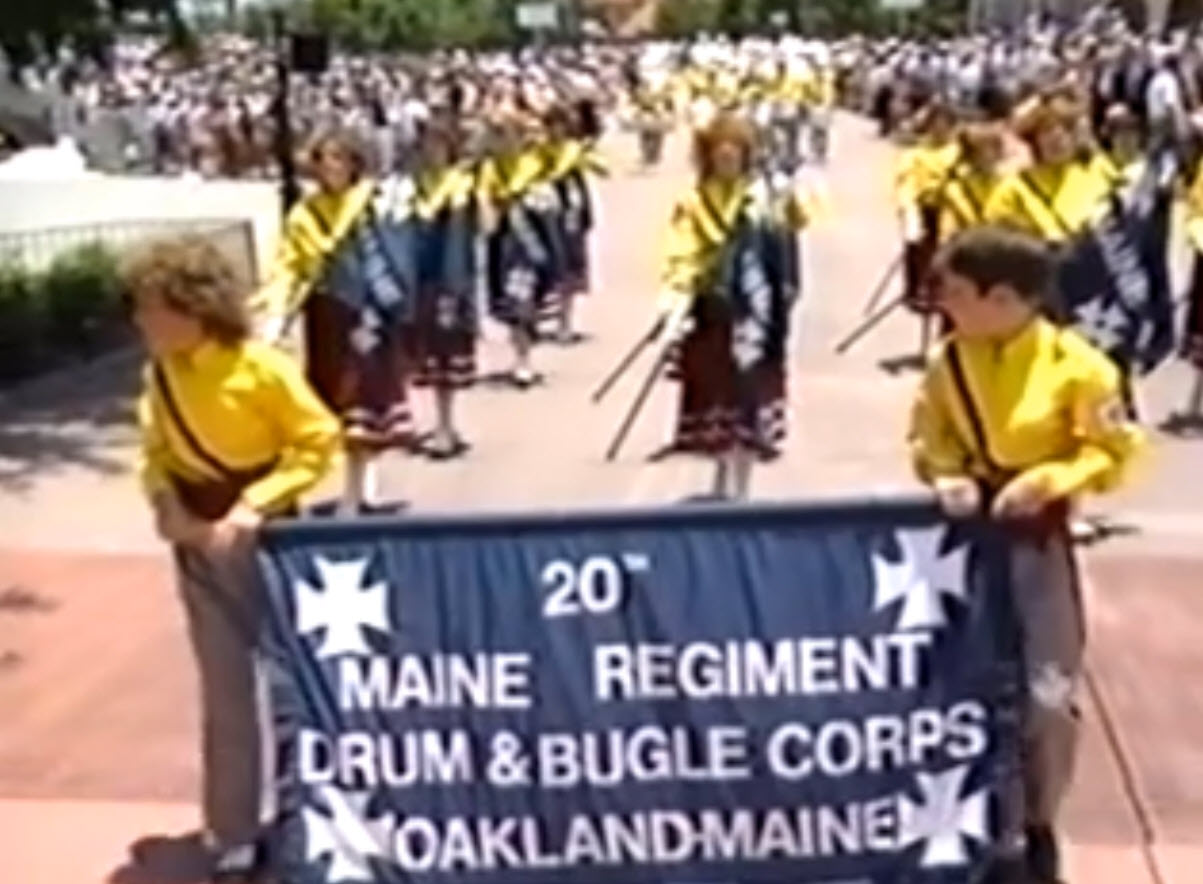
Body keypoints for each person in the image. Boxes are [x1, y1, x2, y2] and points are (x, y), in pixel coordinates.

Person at [908, 226, 1143, 884]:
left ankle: (1039, 822)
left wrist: (1051, 480)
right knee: (966, 683)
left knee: (1046, 692)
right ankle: (984, 821)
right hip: (964, 545)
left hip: (1039, 541)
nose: (943, 304)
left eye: (954, 292)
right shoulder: (948, 362)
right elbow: (928, 433)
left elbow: (1113, 452)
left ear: (1003, 297)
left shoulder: (1082, 369)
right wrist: (944, 471)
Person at [127, 235, 340, 884]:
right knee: (223, 690)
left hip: (264, 541)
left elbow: (317, 440)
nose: (140, 322)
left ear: (193, 308)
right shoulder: (160, 374)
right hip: (196, 542)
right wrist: (166, 502)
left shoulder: (261, 369)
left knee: (283, 685)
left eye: (151, 308)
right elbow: (156, 449)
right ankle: (235, 830)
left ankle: (305, 814)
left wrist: (254, 507)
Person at [253, 129, 415, 512]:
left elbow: (396, 255)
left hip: (367, 315)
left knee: (363, 402)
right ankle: (359, 484)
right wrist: (275, 314)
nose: (332, 167)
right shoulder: (306, 214)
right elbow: (288, 266)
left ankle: (356, 493)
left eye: (340, 159)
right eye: (325, 159)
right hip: (326, 317)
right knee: (335, 404)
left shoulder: (372, 206)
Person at [656, 113, 810, 499]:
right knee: (718, 396)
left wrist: (790, 194)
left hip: (756, 315)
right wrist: (674, 296)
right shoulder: (692, 202)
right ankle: (723, 478)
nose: (727, 159)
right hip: (713, 310)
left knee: (750, 394)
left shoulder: (765, 195)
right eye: (719, 152)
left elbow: (798, 224)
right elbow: (681, 250)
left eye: (735, 152)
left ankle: (741, 483)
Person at [404, 115, 479, 459]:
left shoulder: (460, 189)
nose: (433, 153)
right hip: (418, 283)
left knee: (446, 361)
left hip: (450, 282)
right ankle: (424, 424)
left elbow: (468, 237)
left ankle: (446, 426)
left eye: (439, 146)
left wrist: (458, 286)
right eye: (427, 147)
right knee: (421, 361)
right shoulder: (411, 191)